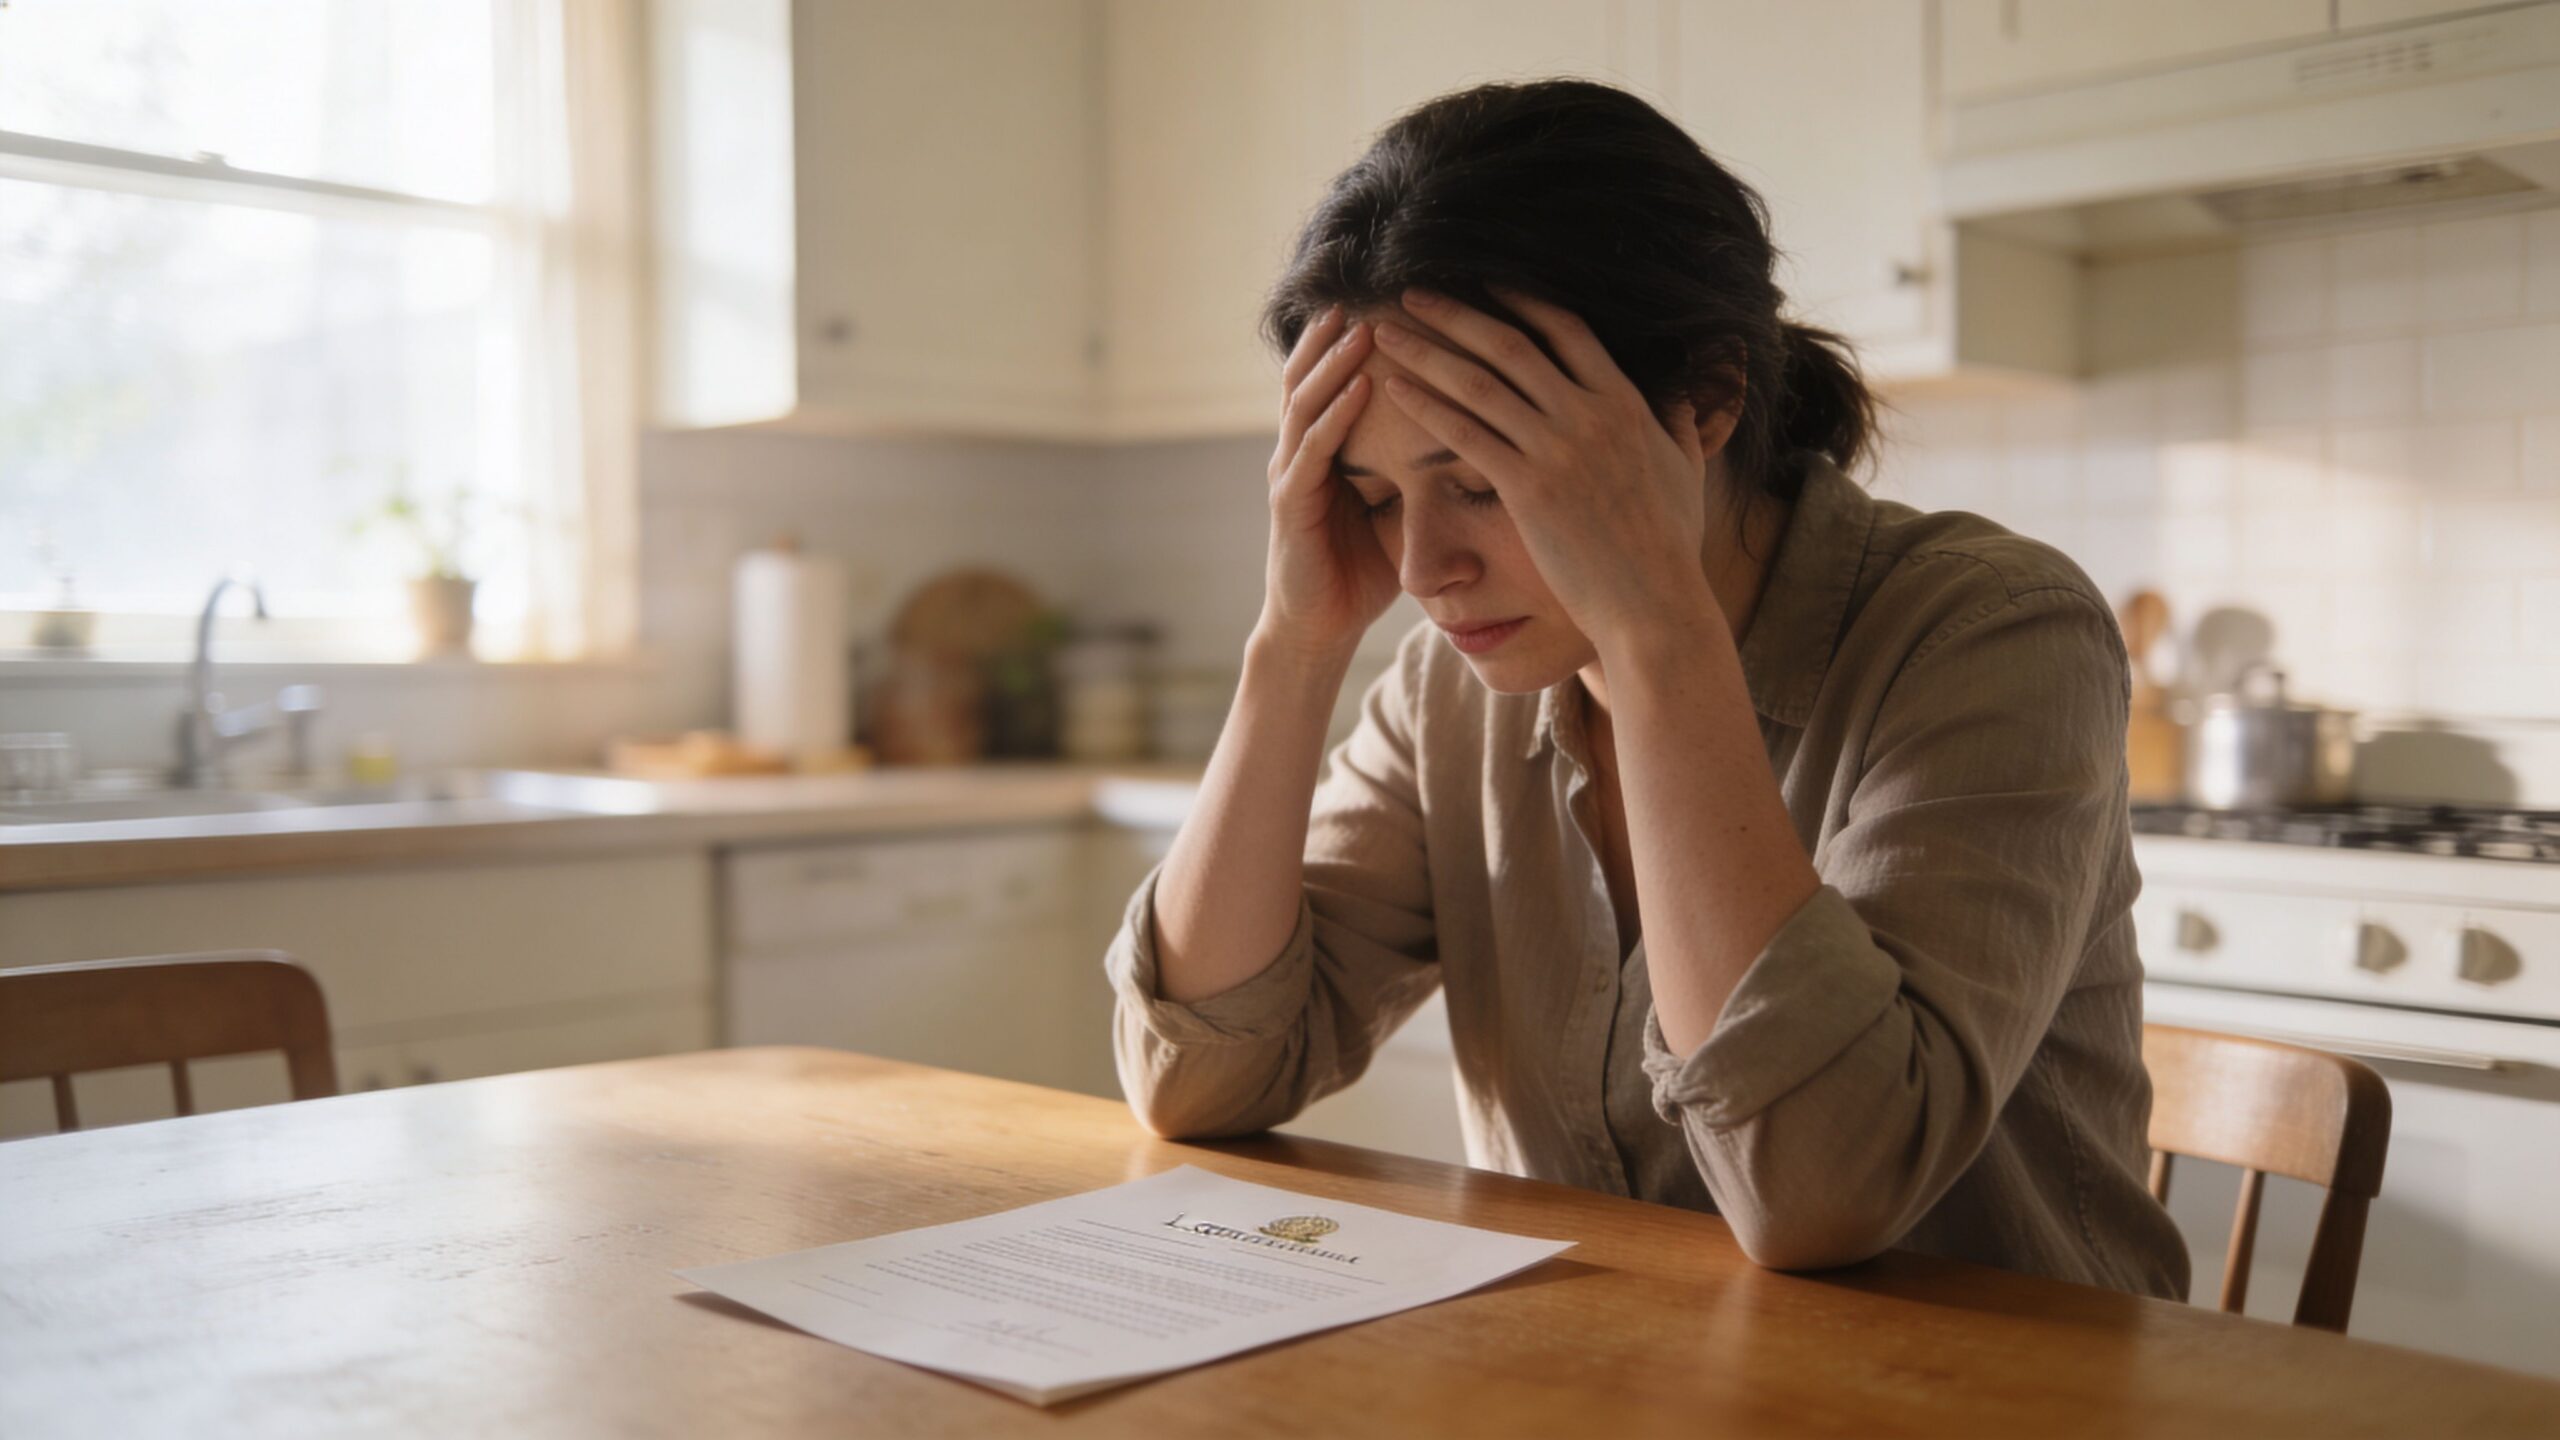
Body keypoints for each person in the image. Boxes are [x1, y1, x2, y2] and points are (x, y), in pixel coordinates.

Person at [1101, 78, 2190, 1299]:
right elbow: (1197, 1080)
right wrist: (1292, 647)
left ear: (1707, 401)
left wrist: (1654, 628)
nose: (1421, 569)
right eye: (1372, 495)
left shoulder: (1990, 632)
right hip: (1609, 1383)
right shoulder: (1447, 689)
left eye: (1482, 477)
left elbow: (1819, 1191)